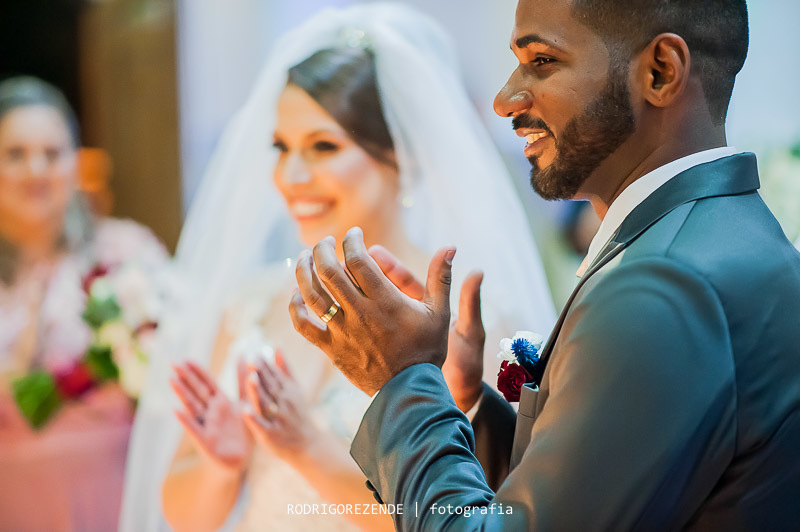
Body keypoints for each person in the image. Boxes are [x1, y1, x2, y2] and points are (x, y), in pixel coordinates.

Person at [289, 0, 800, 530]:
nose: (504, 99)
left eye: (542, 61)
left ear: (660, 71)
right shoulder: (721, 231)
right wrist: (461, 401)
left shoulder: (662, 285)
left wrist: (401, 379)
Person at [120, 5, 555, 532]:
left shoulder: (461, 323)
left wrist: (307, 449)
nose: (292, 176)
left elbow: (477, 519)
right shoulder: (251, 306)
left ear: (404, 155)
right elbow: (185, 517)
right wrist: (221, 464)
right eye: (282, 148)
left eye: (323, 146)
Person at [0, 76, 168, 532]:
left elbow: (174, 364)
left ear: (75, 162)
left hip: (115, 496)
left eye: (53, 154)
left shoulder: (126, 253)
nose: (37, 169)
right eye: (15, 155)